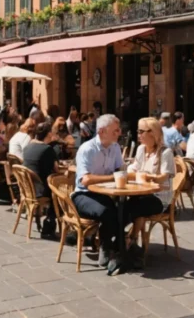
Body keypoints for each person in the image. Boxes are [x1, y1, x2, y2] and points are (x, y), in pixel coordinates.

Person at [73, 114, 127, 276]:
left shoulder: (115, 147)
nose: (119, 133)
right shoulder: (87, 149)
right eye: (115, 131)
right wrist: (113, 177)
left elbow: (120, 169)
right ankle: (107, 245)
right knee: (108, 211)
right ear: (102, 131)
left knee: (127, 208)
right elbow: (86, 179)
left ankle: (120, 244)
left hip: (107, 194)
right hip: (84, 195)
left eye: (119, 130)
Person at [126, 117, 176, 266]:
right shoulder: (141, 149)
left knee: (138, 207)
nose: (138, 135)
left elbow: (163, 177)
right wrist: (129, 171)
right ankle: (130, 243)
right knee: (128, 204)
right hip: (141, 193)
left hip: (160, 197)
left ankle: (130, 240)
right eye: (138, 131)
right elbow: (134, 167)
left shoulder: (165, 152)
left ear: (153, 133)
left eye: (141, 131)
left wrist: (146, 176)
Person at [21, 120, 59, 237]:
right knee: (59, 193)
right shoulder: (47, 149)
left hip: (28, 188)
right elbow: (56, 170)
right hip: (40, 189)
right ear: (48, 135)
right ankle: (50, 223)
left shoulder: (27, 147)